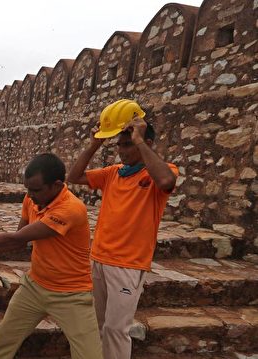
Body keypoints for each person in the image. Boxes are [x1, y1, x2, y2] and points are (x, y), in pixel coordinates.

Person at [0, 153, 103, 359]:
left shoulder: (71, 209)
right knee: (0, 348)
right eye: (27, 189)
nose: (29, 195)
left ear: (57, 185)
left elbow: (16, 239)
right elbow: (20, 239)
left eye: (35, 190)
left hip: (71, 294)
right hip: (34, 288)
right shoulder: (31, 198)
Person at [67, 100, 178, 359]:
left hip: (128, 264)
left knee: (116, 329)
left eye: (126, 144)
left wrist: (139, 139)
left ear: (145, 143)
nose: (121, 150)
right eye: (118, 144)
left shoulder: (157, 174)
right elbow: (74, 176)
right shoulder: (114, 173)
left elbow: (166, 181)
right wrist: (96, 141)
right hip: (99, 258)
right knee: (95, 326)